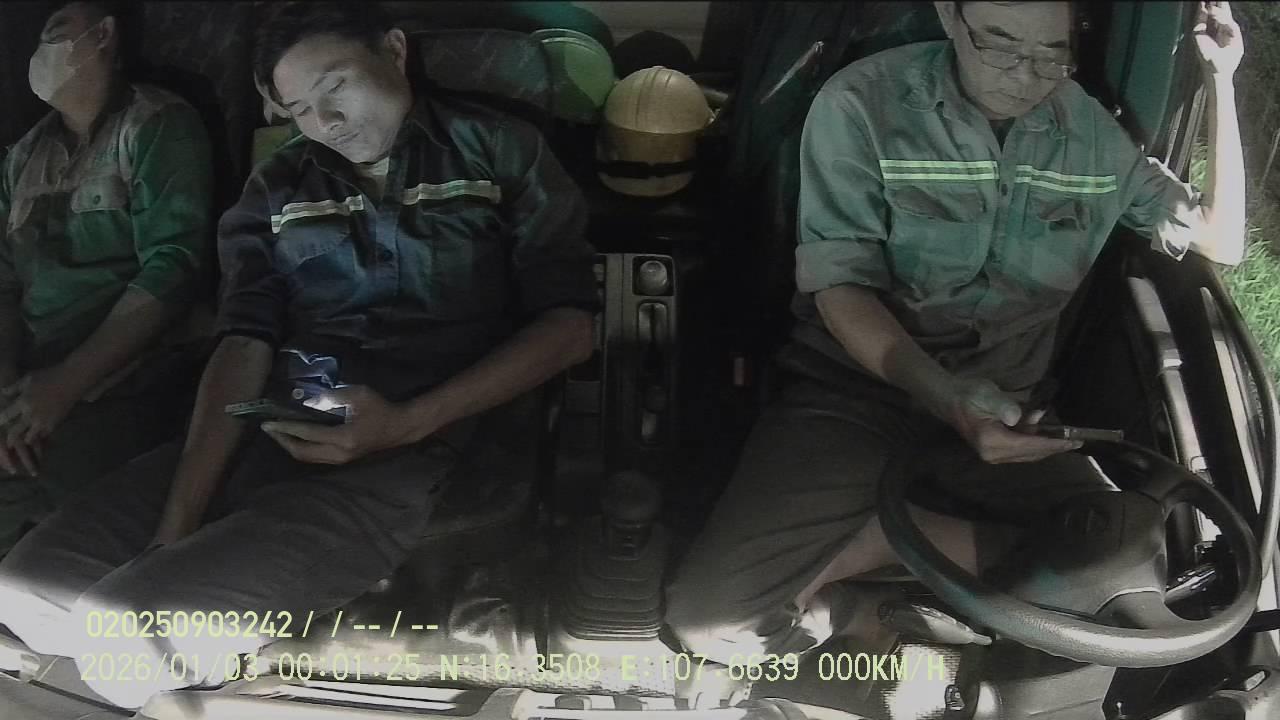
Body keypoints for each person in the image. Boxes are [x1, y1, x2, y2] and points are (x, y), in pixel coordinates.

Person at [0, 0, 596, 709]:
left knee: (126, 636)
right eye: (302, 109)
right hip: (267, 427)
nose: (328, 121)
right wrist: (178, 523)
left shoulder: (499, 149)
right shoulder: (277, 187)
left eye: (336, 85)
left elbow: (572, 326)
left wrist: (406, 422)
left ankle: (226, 652)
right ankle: (217, 623)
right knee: (23, 591)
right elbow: (243, 342)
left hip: (416, 448)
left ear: (394, 50)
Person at [667, 0, 1245, 667]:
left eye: (1051, 54)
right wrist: (948, 399)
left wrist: (1221, 78)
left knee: (1132, 574)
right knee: (709, 623)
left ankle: (879, 545)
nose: (1023, 76)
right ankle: (863, 604)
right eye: (999, 45)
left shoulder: (1090, 134)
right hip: (856, 397)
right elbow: (841, 290)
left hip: (1012, 415)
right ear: (949, 16)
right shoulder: (862, 104)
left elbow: (1222, 238)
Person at [0, 0, 214, 555]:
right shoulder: (22, 158)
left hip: (128, 377)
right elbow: (3, 284)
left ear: (103, 36)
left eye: (55, 31)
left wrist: (67, 383)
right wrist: (8, 398)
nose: (39, 51)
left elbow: (173, 268)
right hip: (33, 382)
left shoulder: (156, 124)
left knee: (56, 518)